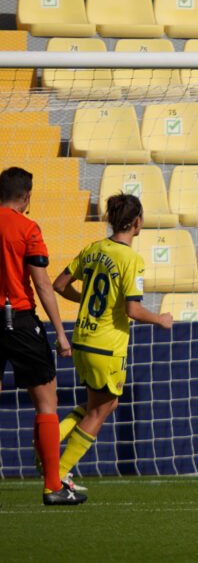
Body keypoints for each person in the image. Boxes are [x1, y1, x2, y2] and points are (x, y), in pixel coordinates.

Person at [53, 193, 173, 493]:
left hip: (82, 338)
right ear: (137, 222)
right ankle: (58, 473)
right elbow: (132, 310)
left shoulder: (93, 249)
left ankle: (48, 443)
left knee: (103, 404)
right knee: (100, 411)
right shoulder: (132, 259)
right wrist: (160, 319)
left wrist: (87, 301)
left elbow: (59, 285)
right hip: (107, 346)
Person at [0, 167, 79, 505]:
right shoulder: (28, 228)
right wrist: (61, 334)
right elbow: (43, 284)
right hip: (18, 320)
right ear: (27, 195)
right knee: (46, 403)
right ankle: (52, 486)